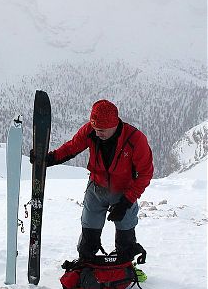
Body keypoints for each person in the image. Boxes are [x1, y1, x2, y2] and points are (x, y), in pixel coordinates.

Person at [44, 99, 154, 259]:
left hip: (124, 191)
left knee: (126, 236)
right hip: (97, 188)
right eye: (95, 128)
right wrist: (49, 159)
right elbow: (71, 147)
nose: (97, 133)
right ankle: (86, 265)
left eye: (101, 130)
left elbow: (145, 173)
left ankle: (124, 267)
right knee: (89, 233)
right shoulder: (90, 130)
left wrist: (126, 202)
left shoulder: (135, 139)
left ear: (114, 125)